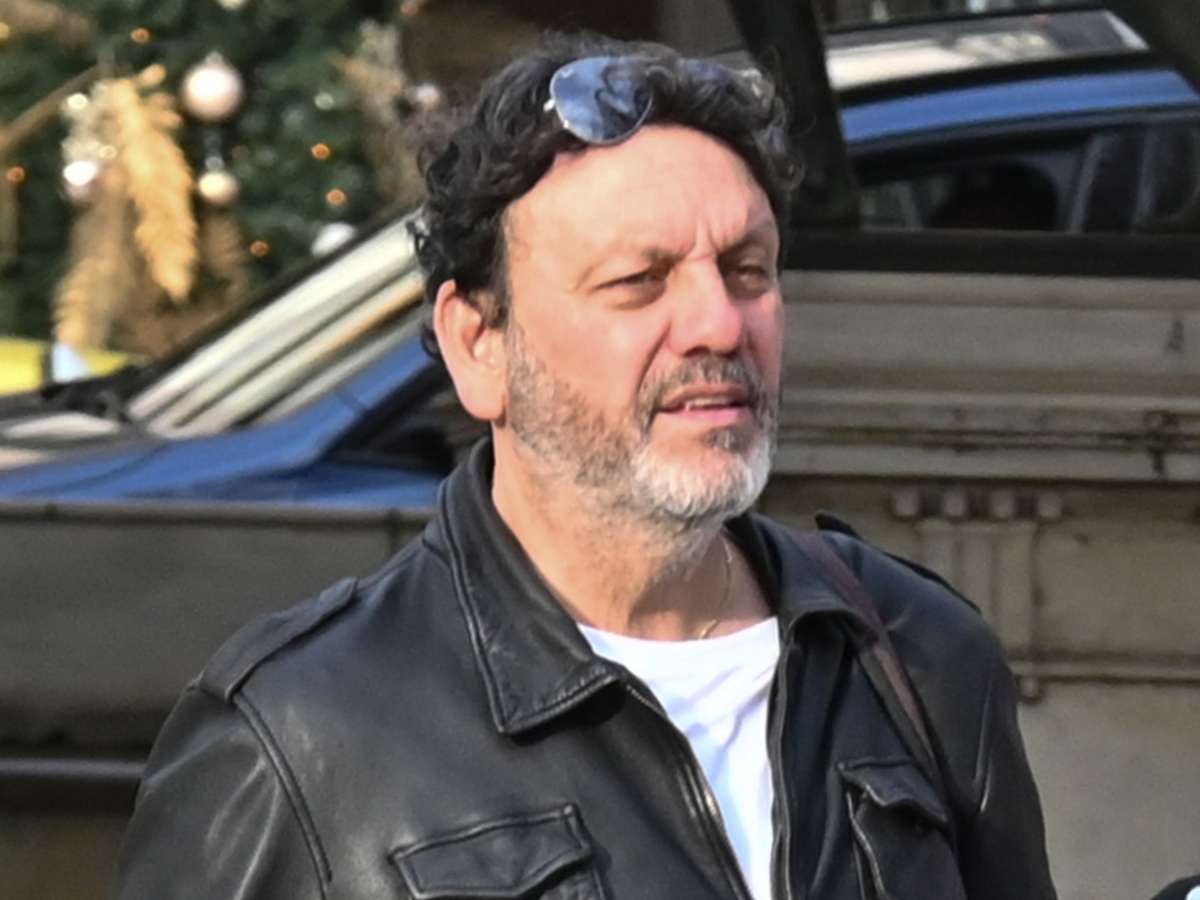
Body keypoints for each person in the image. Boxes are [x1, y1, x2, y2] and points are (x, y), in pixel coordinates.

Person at [112, 32, 1057, 900]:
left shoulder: (917, 655)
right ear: (479, 345)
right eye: (638, 282)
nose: (718, 324)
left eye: (747, 270)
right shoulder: (298, 735)